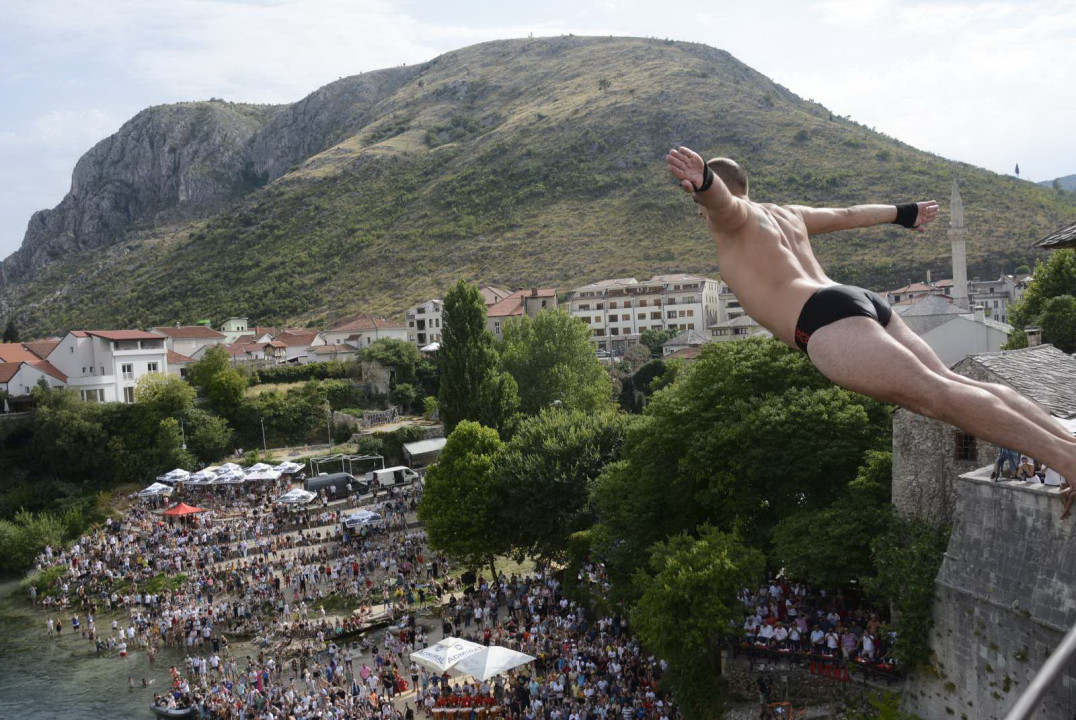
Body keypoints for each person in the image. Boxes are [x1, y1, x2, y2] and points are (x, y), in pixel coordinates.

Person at [666, 147, 1076, 504]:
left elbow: (725, 205)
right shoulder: (786, 214)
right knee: (954, 384)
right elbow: (847, 214)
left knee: (938, 396)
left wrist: (705, 184)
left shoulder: (731, 220)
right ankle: (1068, 443)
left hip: (822, 321)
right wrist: (904, 213)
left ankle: (1067, 460)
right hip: (858, 300)